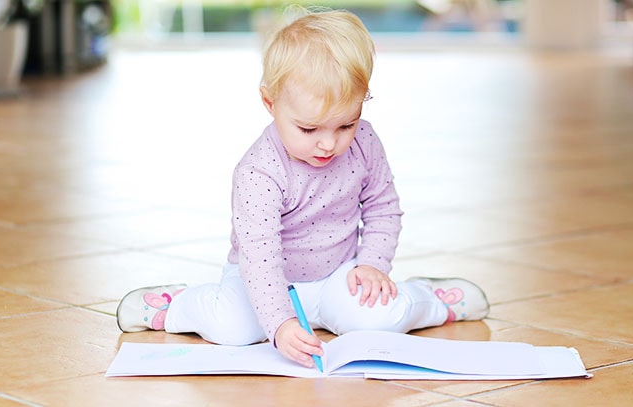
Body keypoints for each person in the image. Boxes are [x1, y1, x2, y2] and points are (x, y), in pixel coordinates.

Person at [116, 7, 489, 369]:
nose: (329, 144)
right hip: (262, 278)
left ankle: (435, 300)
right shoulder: (259, 171)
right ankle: (175, 305)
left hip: (337, 274)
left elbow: (382, 208)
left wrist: (374, 264)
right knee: (232, 327)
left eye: (346, 124)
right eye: (309, 129)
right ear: (270, 102)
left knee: (379, 319)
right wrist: (279, 323)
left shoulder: (365, 143)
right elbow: (259, 255)